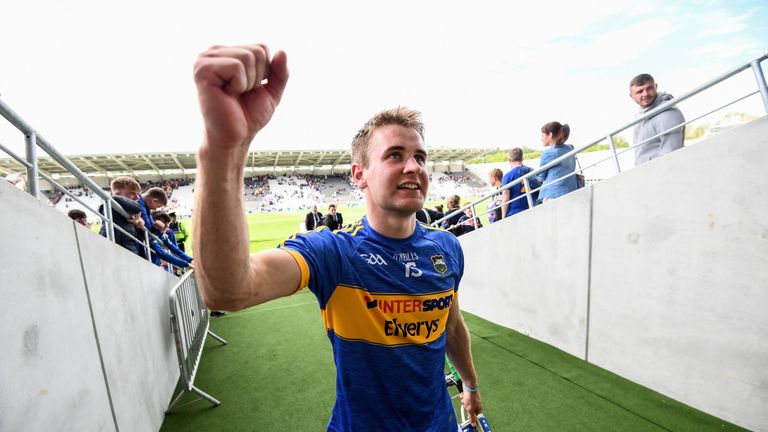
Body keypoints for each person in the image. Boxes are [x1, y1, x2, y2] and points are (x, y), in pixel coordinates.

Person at [191, 44, 482, 430]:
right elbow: (227, 291)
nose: (413, 166)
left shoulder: (447, 247)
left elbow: (451, 325)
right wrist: (223, 150)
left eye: (420, 157)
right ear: (358, 175)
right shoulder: (333, 251)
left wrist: (470, 384)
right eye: (394, 155)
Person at [629, 73, 685, 166]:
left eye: (649, 88)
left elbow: (671, 153)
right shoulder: (641, 114)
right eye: (640, 91)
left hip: (660, 172)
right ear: (631, 96)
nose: (645, 94)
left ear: (656, 87)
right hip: (645, 171)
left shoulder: (667, 113)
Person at [99, 176, 144, 255]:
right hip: (118, 248)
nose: (138, 197)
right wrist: (138, 215)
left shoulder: (127, 210)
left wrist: (139, 222)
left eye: (137, 194)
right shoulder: (113, 200)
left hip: (124, 247)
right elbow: (137, 208)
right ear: (118, 194)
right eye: (132, 193)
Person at [536, 122, 579, 204]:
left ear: (550, 135)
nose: (541, 139)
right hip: (571, 190)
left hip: (553, 195)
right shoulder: (570, 148)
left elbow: (540, 178)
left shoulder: (548, 153)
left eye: (542, 136)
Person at [500, 148, 538, 218]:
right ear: (522, 158)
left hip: (515, 212)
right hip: (533, 209)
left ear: (509, 160)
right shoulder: (531, 171)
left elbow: (505, 198)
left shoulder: (508, 176)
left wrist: (503, 216)